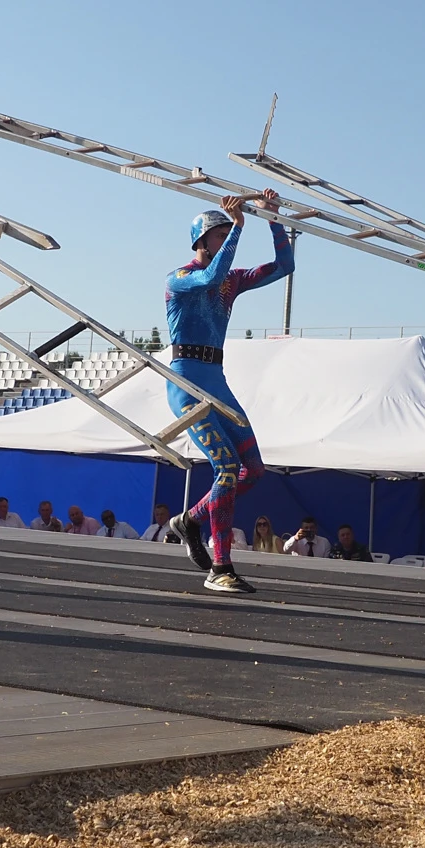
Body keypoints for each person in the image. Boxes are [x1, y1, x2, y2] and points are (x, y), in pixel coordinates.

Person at [162, 189, 294, 595]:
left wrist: (273, 218)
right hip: (187, 382)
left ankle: (191, 521)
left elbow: (284, 266)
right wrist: (238, 226)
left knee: (253, 469)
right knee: (224, 469)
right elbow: (212, 276)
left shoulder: (230, 279)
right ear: (201, 242)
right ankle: (220, 566)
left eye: (225, 234)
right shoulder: (180, 278)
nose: (225, 241)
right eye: (217, 236)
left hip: (216, 378)